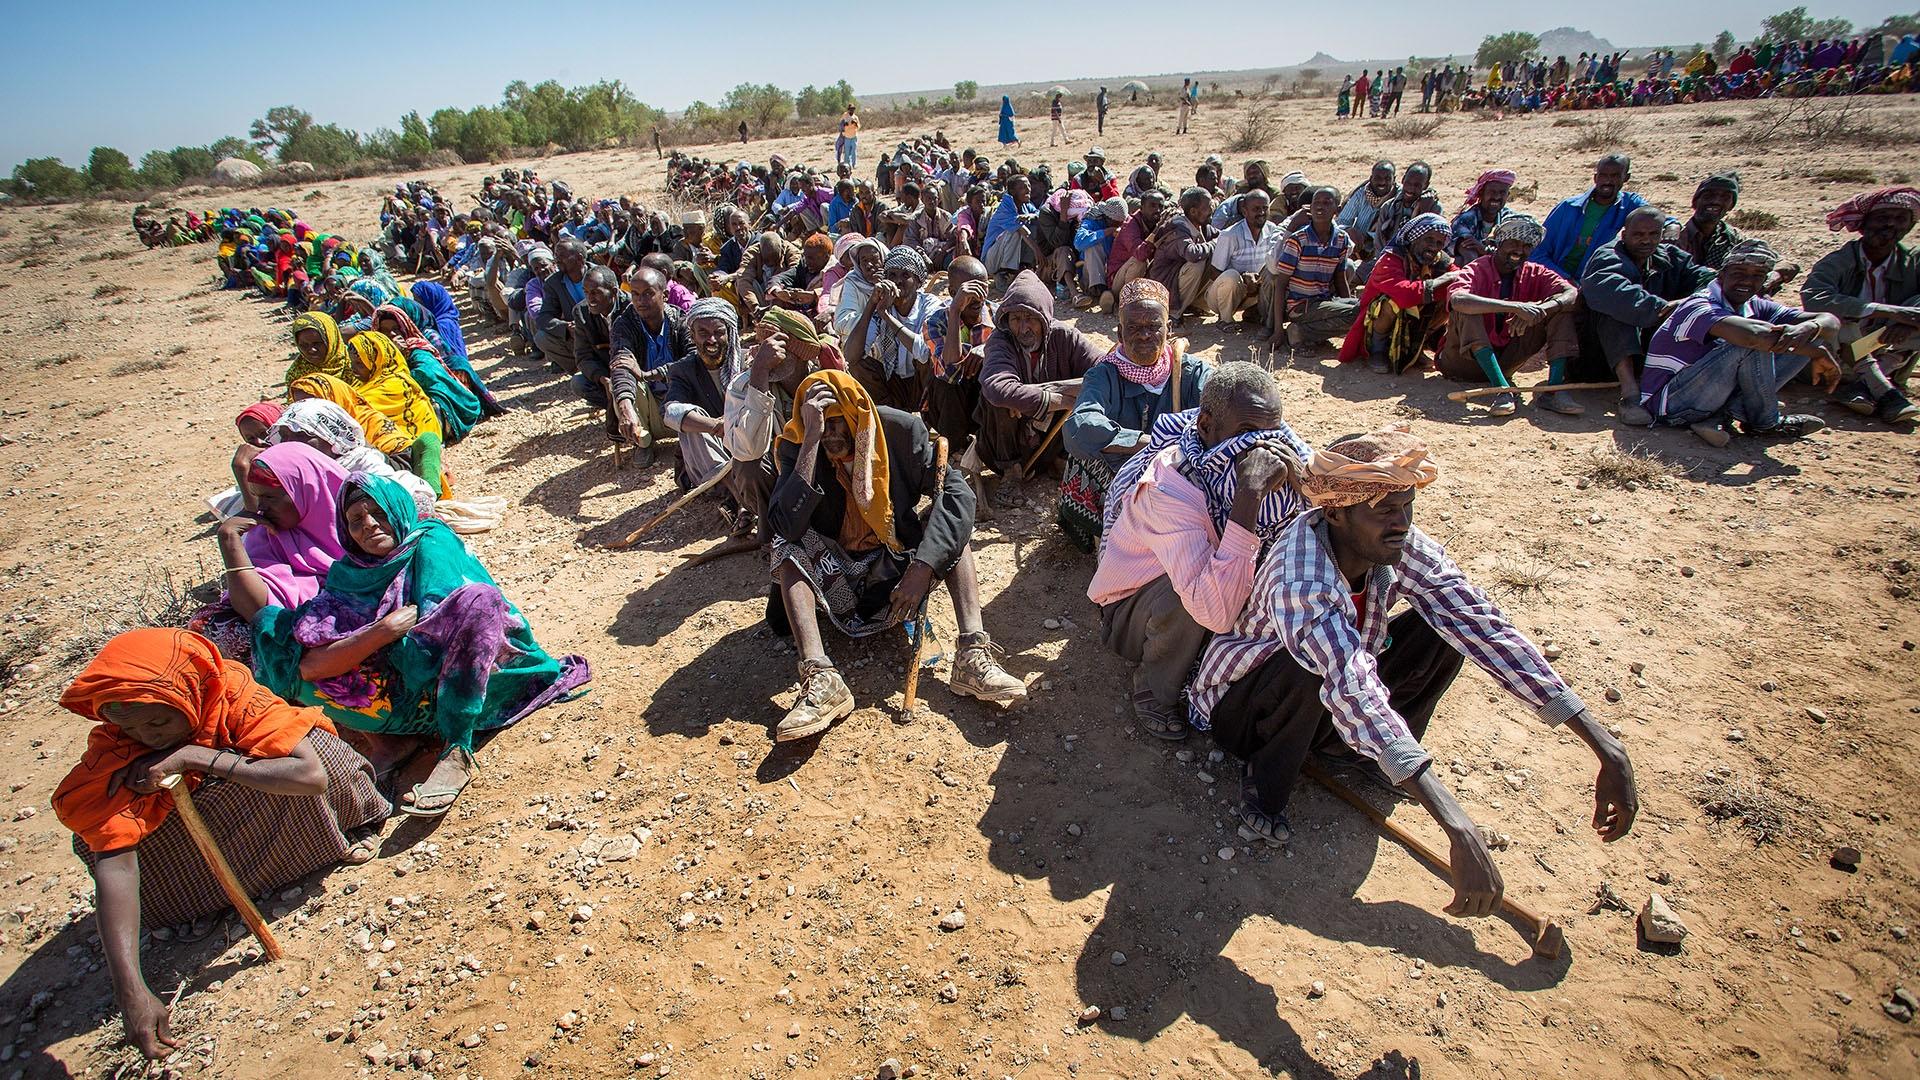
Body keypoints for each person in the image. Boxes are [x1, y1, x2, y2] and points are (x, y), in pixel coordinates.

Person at [1190, 426, 1641, 901]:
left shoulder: (1393, 543)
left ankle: (1370, 758)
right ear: (1338, 513)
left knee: (1448, 630)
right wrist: (1457, 824)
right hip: (1244, 707)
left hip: (1331, 700)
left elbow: (1482, 625)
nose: (1401, 521)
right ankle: (1266, 784)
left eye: (1406, 506)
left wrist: (1603, 743)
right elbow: (1352, 684)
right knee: (1312, 668)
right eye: (1385, 510)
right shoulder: (1300, 576)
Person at [54, 628, 391, 1061]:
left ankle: (319, 841)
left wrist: (195, 757)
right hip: (223, 850)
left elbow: (310, 778)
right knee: (97, 829)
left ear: (190, 692)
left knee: (319, 752)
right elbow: (114, 858)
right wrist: (131, 988)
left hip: (284, 809)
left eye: (158, 721)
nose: (148, 736)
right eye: (130, 727)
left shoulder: (232, 697)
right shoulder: (118, 747)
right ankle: (214, 892)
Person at [251, 474, 590, 817]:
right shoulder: (350, 574)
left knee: (477, 601)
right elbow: (307, 665)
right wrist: (380, 633)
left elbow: (431, 646)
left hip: (482, 685)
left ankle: (457, 749)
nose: (368, 526)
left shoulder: (431, 542)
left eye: (379, 513)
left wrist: (374, 646)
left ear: (398, 510)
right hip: (414, 703)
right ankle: (391, 743)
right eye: (355, 520)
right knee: (274, 633)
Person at [765, 371, 1026, 740]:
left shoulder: (899, 431)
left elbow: (957, 496)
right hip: (834, 572)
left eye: (842, 424)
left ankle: (971, 654)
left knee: (950, 533)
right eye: (825, 426)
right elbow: (785, 524)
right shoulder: (799, 444)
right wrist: (810, 439)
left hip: (893, 565)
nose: (834, 435)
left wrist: (922, 569)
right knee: (786, 546)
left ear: (860, 415)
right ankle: (821, 678)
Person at [1087, 363, 1309, 738]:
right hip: (1134, 613)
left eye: (1271, 433)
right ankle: (1155, 689)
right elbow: (1215, 611)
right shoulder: (1170, 487)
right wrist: (1249, 494)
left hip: (1210, 582)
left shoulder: (1240, 453)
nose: (1261, 448)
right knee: (1188, 597)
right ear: (1206, 426)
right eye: (1246, 434)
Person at [1059, 279, 1213, 551]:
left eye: (1153, 327)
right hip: (1121, 469)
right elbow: (1081, 425)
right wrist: (1149, 443)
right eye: (1134, 328)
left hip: (1182, 470)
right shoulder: (1104, 375)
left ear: (1168, 329)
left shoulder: (1192, 373)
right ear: (1120, 334)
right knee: (1083, 455)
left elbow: (1219, 412)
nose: (1144, 335)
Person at [1641, 240, 1843, 446]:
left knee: (1807, 333)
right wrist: (1816, 352)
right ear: (1721, 275)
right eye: (1739, 273)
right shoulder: (1699, 305)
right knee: (1750, 343)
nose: (1747, 281)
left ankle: (1723, 416)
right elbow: (1754, 337)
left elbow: (1830, 321)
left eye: (1757, 276)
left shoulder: (1753, 304)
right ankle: (1766, 424)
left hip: (1707, 396)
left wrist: (1811, 329)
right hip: (1672, 405)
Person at [1578, 206, 1718, 426]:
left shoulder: (1670, 258)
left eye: (1653, 234)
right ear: (1624, 235)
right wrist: (1664, 309)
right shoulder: (1608, 256)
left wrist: (1686, 304)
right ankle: (1630, 393)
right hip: (1597, 355)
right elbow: (1609, 290)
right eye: (1638, 235)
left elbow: (1709, 280)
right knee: (1617, 309)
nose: (1646, 241)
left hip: (1647, 351)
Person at [1437, 215, 1584, 417]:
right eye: (1513, 243)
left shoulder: (1535, 272)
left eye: (1526, 246)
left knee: (1561, 310)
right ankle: (1502, 390)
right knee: (1468, 309)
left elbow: (1571, 293)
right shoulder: (1477, 268)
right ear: (1499, 243)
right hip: (1462, 364)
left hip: (1507, 360)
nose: (1519, 250)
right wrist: (1516, 307)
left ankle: (1554, 391)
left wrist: (1542, 309)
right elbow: (1458, 300)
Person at [1799, 186, 1920, 423]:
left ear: (1909, 226)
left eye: (1899, 219)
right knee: (1838, 324)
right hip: (1840, 356)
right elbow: (1814, 297)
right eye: (1882, 218)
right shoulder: (1839, 261)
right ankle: (1885, 393)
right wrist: (1889, 312)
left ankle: (1868, 386)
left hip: (1888, 346)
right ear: (1864, 224)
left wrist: (1910, 321)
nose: (1890, 226)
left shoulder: (1913, 262)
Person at [977, 270, 1103, 478]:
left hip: (1051, 439)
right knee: (997, 402)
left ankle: (1059, 459)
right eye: (1016, 319)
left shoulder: (1064, 337)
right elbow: (997, 388)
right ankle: (1011, 471)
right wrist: (1062, 400)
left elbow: (1104, 373)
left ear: (1045, 319)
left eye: (1030, 318)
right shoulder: (1001, 340)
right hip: (1006, 445)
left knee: (1093, 396)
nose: (1023, 328)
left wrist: (1048, 390)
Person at [1338, 214, 1466, 374]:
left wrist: (1449, 284)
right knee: (1391, 302)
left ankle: (1417, 346)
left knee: (1451, 297)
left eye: (1439, 243)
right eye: (1429, 240)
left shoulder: (1439, 260)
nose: (1434, 247)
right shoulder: (1391, 259)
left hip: (1416, 319)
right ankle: (1378, 350)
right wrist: (1444, 280)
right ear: (1415, 237)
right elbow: (1404, 294)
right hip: (1377, 322)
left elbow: (1461, 279)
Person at [847, 246, 941, 413]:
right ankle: (891, 413)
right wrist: (872, 305)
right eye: (892, 275)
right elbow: (851, 356)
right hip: (895, 382)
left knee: (928, 360)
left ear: (918, 281)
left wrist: (887, 318)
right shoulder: (882, 307)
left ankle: (927, 414)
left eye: (906, 275)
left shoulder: (929, 305)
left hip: (922, 383)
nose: (898, 281)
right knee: (859, 365)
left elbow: (924, 352)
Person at [1265, 186, 1357, 350]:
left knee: (1363, 310)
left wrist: (1347, 303)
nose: (1320, 207)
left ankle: (1303, 332)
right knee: (1358, 313)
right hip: (1301, 306)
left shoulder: (1341, 240)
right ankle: (1297, 331)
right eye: (1316, 203)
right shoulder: (1298, 240)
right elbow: (1281, 285)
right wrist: (1278, 330)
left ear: (1338, 209)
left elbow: (1340, 280)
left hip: (1325, 302)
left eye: (1327, 203)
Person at [1532, 154, 1649, 279]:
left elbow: (1654, 218)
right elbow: (1538, 253)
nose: (1608, 181)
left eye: (1615, 176)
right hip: (1556, 279)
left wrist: (1672, 227)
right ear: (1595, 177)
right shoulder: (1568, 207)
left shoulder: (1629, 205)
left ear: (1626, 178)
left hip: (1597, 282)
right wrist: (1564, 281)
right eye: (1603, 175)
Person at [1205, 189, 1284, 328]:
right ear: (1244, 211)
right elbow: (1214, 273)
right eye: (1256, 209)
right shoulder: (1230, 235)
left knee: (1274, 273)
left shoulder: (1273, 231)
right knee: (1231, 276)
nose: (1261, 213)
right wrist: (1243, 277)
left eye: (1265, 208)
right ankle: (1225, 320)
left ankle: (1263, 317)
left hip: (1254, 294)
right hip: (1223, 297)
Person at [1150, 187, 1219, 322]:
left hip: (1178, 280)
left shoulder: (1201, 224)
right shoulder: (1178, 228)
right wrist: (1215, 244)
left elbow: (1220, 236)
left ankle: (1195, 304)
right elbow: (1192, 253)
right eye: (1207, 207)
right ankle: (1174, 313)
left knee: (1216, 256)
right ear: (1193, 211)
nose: (1211, 209)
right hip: (1166, 283)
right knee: (1197, 263)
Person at [530, 238, 588, 373]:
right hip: (577, 335)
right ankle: (580, 370)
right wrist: (566, 327)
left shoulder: (600, 275)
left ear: (579, 258)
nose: (557, 260)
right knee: (541, 338)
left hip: (604, 331)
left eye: (562, 256)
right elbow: (543, 318)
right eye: (556, 256)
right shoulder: (554, 283)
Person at [1449, 169, 1515, 263]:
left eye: (1502, 193)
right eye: (1492, 192)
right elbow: (1470, 256)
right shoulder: (1465, 220)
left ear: (1508, 195)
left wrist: (1484, 250)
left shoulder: (1510, 219)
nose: (1496, 197)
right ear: (1481, 194)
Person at [838, 105, 861, 171]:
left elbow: (859, 126)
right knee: (847, 152)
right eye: (851, 109)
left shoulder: (855, 117)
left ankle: (854, 164)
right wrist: (844, 124)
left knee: (854, 151)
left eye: (853, 109)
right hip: (847, 136)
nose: (852, 110)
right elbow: (841, 123)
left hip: (854, 136)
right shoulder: (845, 115)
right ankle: (846, 164)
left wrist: (855, 123)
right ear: (848, 109)